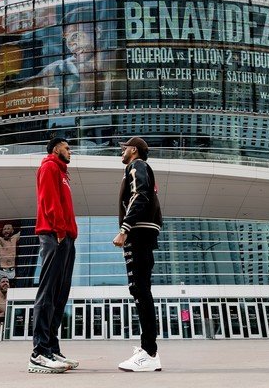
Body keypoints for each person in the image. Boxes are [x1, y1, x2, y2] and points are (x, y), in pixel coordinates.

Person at [28, 137, 79, 374]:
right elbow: (49, 201)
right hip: (53, 235)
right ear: (56, 149)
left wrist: (69, 235)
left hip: (66, 237)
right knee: (48, 293)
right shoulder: (49, 166)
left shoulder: (63, 173)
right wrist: (60, 231)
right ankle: (39, 353)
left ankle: (52, 347)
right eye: (67, 148)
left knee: (60, 296)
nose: (70, 152)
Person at [113, 136, 163, 372]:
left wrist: (125, 229)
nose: (121, 152)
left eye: (124, 148)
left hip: (139, 233)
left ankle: (149, 353)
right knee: (140, 290)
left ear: (133, 150)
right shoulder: (139, 167)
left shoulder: (137, 166)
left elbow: (140, 195)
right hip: (143, 233)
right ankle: (148, 348)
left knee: (141, 290)